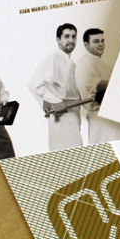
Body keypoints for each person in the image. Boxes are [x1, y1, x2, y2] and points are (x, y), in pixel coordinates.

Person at [29, 23, 83, 151]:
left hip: (74, 115)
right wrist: (55, 101)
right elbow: (34, 84)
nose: (71, 40)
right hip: (61, 117)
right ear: (58, 40)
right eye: (66, 36)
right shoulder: (53, 59)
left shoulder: (72, 64)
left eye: (74, 37)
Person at [75, 28, 120, 144]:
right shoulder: (84, 63)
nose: (100, 44)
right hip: (100, 119)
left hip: (114, 116)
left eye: (102, 41)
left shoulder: (103, 65)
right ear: (86, 45)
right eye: (96, 41)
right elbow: (93, 89)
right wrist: (118, 83)